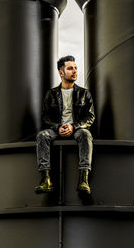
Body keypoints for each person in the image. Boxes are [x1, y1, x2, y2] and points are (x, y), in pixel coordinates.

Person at [35, 55, 95, 195]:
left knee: (85, 134)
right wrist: (57, 127)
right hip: (57, 129)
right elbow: (45, 116)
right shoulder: (51, 94)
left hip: (76, 129)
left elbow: (90, 117)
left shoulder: (84, 93)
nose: (74, 71)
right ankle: (46, 179)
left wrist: (73, 126)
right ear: (61, 73)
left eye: (75, 68)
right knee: (42, 135)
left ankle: (83, 180)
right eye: (70, 68)